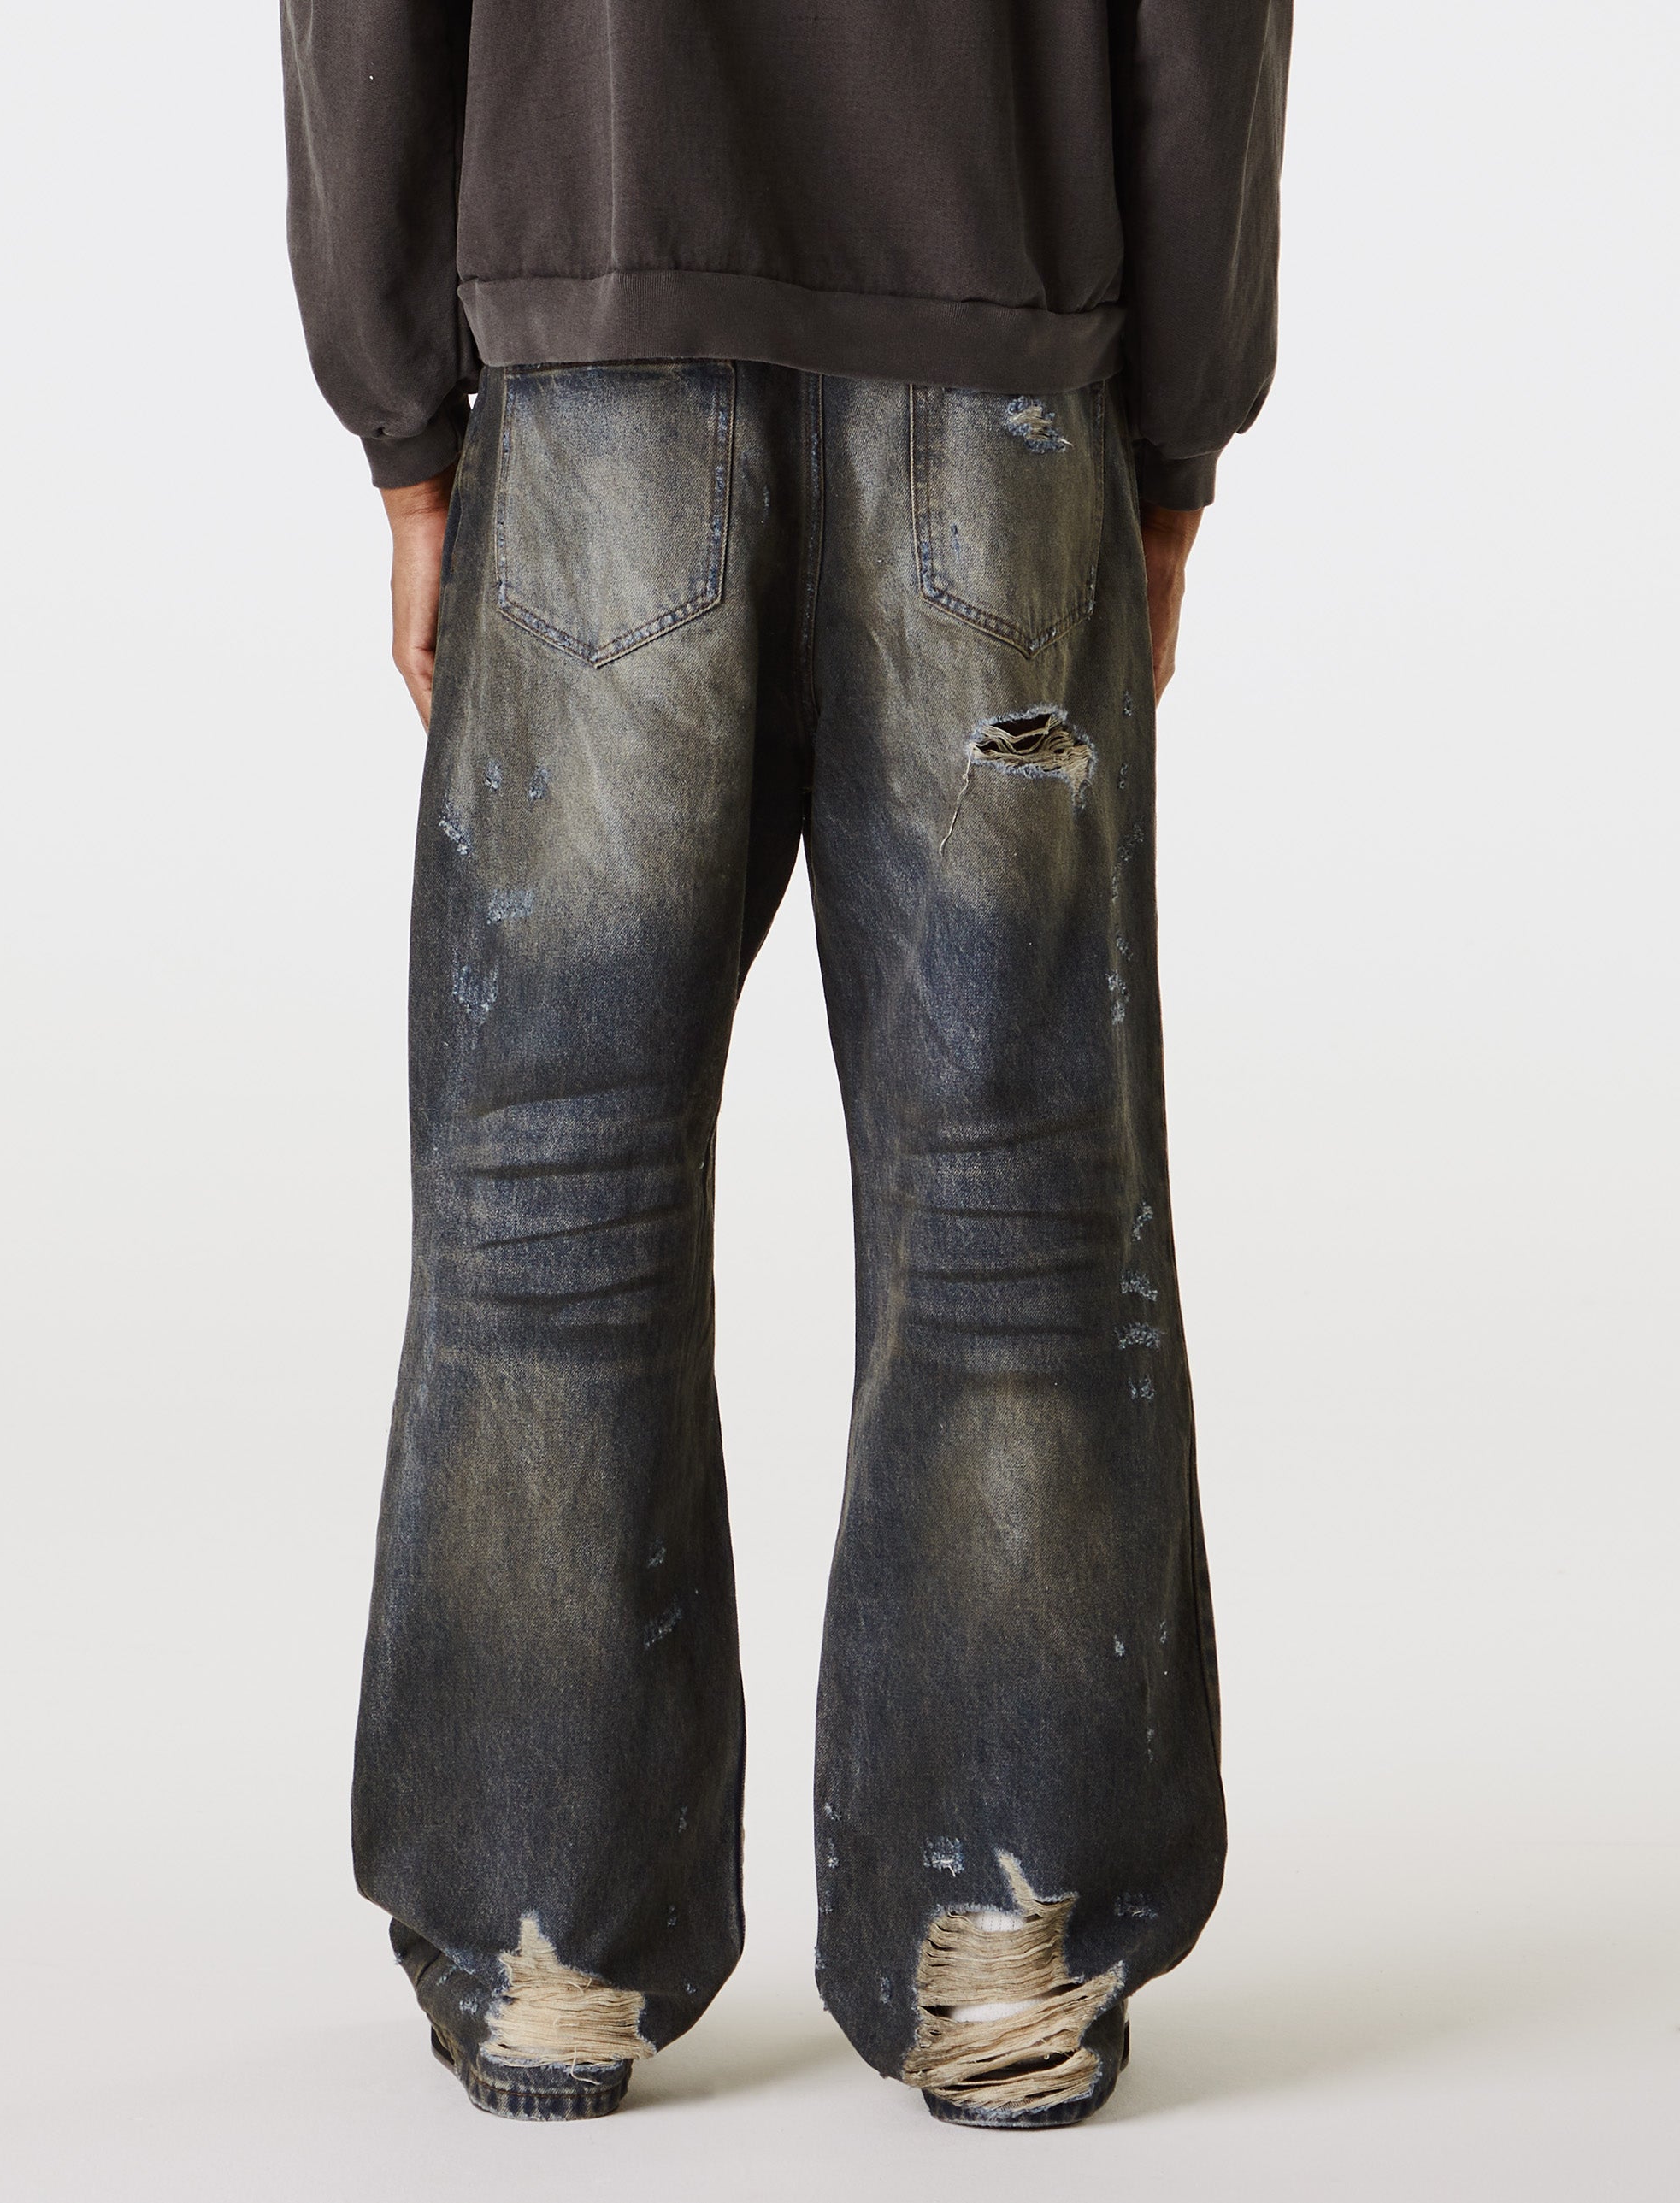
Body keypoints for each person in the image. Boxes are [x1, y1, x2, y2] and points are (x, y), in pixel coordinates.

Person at [281, 0, 1289, 2131]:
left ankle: (547, 1939)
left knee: (554, 1182)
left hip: (596, 336)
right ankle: (1002, 1938)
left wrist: (400, 408)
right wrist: (1178, 423)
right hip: (1001, 339)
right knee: (1016, 1194)